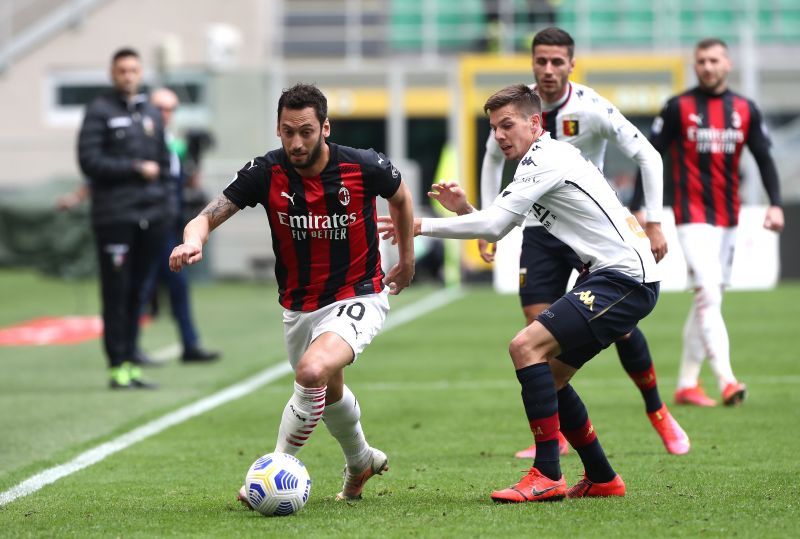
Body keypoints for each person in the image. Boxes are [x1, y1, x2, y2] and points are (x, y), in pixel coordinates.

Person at [381, 84, 659, 501]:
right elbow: (499, 223)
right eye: (493, 128)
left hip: (624, 278)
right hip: (610, 276)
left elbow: (494, 228)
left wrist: (418, 224)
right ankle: (602, 478)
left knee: (525, 347)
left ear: (535, 122)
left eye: (507, 125)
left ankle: (547, 473)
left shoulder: (547, 160)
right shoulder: (537, 161)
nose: (499, 135)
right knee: (552, 377)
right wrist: (464, 212)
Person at [169, 83, 415, 502]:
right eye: (287, 132)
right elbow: (206, 216)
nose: (296, 142)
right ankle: (361, 462)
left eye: (305, 131)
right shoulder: (265, 172)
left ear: (325, 127)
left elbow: (402, 199)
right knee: (329, 389)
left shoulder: (362, 166)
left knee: (312, 372)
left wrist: (406, 259)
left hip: (359, 293)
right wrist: (194, 240)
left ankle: (270, 472)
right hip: (299, 306)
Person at [478, 27, 688, 456]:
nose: (549, 69)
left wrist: (655, 221)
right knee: (538, 332)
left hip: (590, 232)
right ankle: (553, 438)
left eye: (558, 61)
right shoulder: (516, 109)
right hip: (540, 231)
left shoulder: (591, 108)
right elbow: (491, 158)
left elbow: (648, 154)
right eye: (542, 61)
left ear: (572, 64)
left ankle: (658, 411)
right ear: (533, 63)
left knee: (621, 326)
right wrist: (485, 216)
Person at [649, 38, 785, 407]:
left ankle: (687, 384)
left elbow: (764, 158)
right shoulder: (678, 107)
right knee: (708, 293)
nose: (707, 67)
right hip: (690, 214)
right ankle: (727, 379)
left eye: (714, 60)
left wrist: (775, 203)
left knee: (709, 298)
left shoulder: (745, 108)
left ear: (727, 64)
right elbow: (650, 157)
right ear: (696, 66)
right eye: (701, 61)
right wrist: (643, 212)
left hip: (728, 216)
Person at [77, 48, 171, 389]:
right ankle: (117, 365)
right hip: (114, 216)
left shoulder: (150, 112)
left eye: (133, 69)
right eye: (122, 70)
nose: (128, 75)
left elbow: (162, 162)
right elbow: (89, 161)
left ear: (140, 72)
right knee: (116, 292)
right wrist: (134, 168)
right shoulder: (99, 111)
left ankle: (131, 360)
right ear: (112, 73)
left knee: (138, 292)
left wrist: (164, 207)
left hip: (150, 216)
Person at [136, 88, 220, 364]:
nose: (165, 114)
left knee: (176, 286)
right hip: (148, 225)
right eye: (160, 108)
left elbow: (175, 183)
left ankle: (189, 344)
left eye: (171, 108)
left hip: (169, 226)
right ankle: (129, 348)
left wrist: (189, 176)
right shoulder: (140, 142)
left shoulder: (170, 143)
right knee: (145, 287)